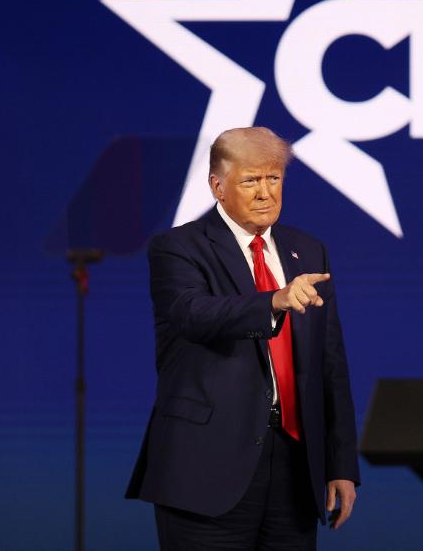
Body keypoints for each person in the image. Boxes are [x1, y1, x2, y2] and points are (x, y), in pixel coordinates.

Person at [125, 126, 360, 550]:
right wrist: (273, 301)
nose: (265, 193)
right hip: (205, 467)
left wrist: (340, 463)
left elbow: (329, 363)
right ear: (217, 186)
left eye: (274, 178)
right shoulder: (178, 247)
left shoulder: (308, 251)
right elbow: (194, 315)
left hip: (293, 470)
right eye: (250, 180)